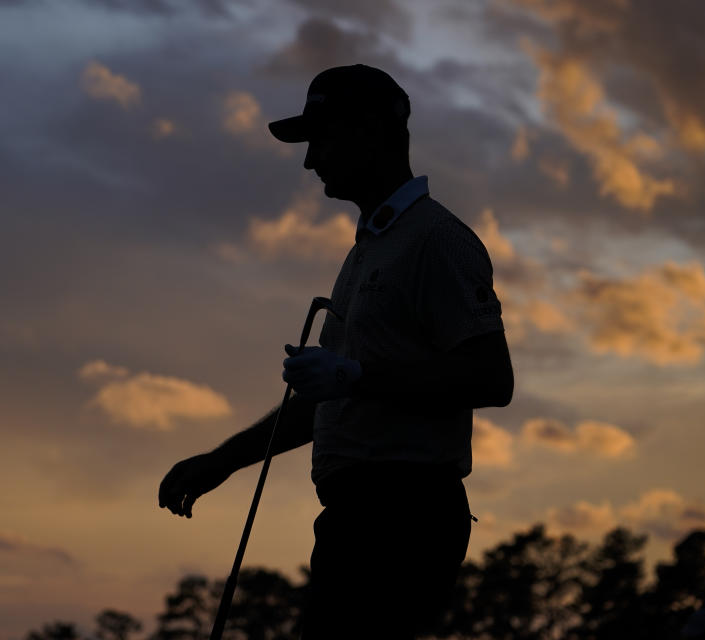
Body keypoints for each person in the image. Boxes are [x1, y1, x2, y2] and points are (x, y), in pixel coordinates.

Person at [158, 63, 514, 639]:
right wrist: (221, 462)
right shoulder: (369, 249)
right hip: (360, 518)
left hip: (404, 517)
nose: (309, 159)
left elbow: (491, 378)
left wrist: (354, 375)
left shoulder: (436, 240)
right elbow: (328, 395)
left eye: (319, 139)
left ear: (369, 131)